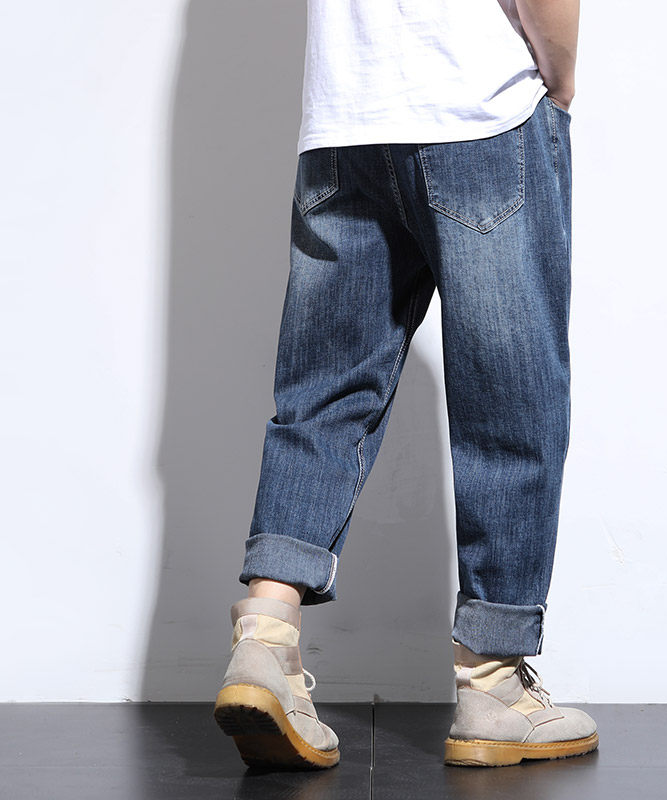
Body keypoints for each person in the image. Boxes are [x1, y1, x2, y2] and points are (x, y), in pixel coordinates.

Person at [213, 0, 598, 769]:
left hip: (345, 117)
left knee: (323, 396)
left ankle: (264, 640)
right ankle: (493, 683)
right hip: (480, 108)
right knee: (510, 401)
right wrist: (559, 76)